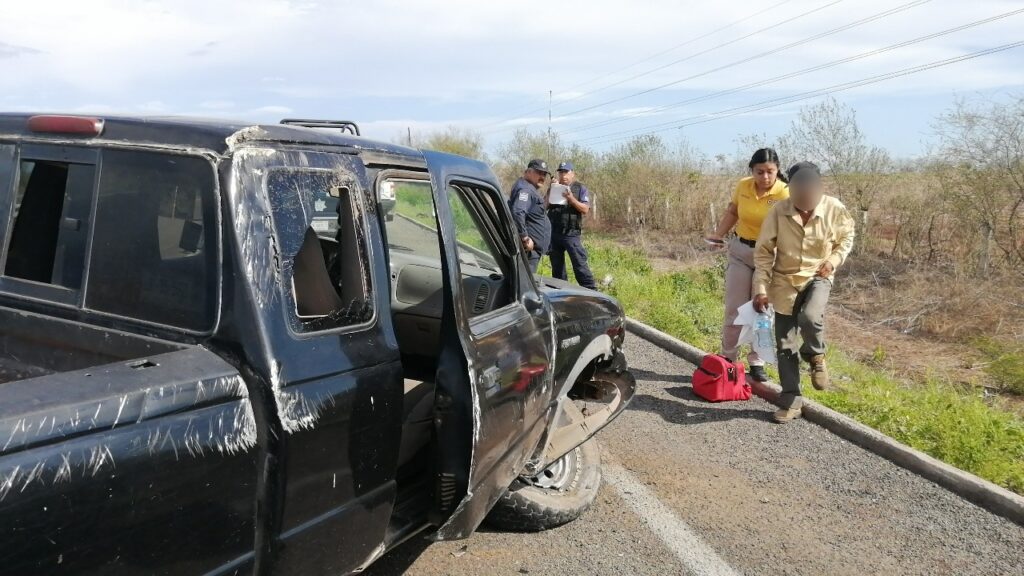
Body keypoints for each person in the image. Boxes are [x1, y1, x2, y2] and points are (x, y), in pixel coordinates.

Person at [753, 161, 855, 423]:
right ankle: (791, 401)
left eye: (810, 196)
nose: (805, 202)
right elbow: (764, 253)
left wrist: (833, 260)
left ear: (820, 190)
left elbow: (846, 237)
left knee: (810, 317)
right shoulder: (778, 212)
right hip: (784, 281)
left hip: (818, 275)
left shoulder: (835, 208)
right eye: (799, 197)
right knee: (785, 344)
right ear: (791, 191)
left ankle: (815, 354)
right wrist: (761, 289)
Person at [706, 148, 789, 383]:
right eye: (759, 172)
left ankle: (757, 361)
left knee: (761, 312)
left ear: (778, 171)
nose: (765, 177)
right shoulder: (743, 186)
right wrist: (717, 235)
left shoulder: (785, 193)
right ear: (751, 171)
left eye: (770, 172)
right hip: (741, 251)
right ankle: (728, 360)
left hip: (769, 257)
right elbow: (733, 211)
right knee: (734, 309)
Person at [546, 162, 597, 289]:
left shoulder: (580, 188)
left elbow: (585, 209)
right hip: (555, 233)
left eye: (566, 172)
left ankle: (590, 292)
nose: (563, 175)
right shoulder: (554, 187)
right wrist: (551, 190)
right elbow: (544, 206)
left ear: (572, 174)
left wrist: (571, 199)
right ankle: (560, 292)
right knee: (557, 268)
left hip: (571, 234)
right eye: (561, 172)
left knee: (579, 265)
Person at [508, 159, 552, 274]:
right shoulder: (526, 190)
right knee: (525, 285)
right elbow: (518, 212)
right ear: (527, 172)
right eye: (539, 173)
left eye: (544, 174)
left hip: (531, 252)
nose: (542, 176)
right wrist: (525, 238)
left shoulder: (528, 188)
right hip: (528, 251)